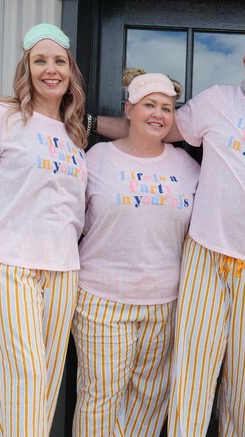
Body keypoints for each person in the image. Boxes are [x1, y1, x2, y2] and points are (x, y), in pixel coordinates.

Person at [93, 28, 245, 436]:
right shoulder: (217, 101)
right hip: (207, 255)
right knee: (192, 373)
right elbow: (153, 130)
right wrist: (83, 122)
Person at [0, 23, 87, 436]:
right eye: (40, 60)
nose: (51, 69)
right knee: (25, 375)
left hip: (63, 268)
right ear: (26, 69)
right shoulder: (4, 117)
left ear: (70, 73)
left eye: (60, 61)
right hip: (8, 264)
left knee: (44, 384)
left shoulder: (74, 134)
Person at [71, 70, 199, 436]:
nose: (158, 114)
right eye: (149, 105)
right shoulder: (96, 159)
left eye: (166, 108)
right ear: (128, 109)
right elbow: (68, 221)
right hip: (101, 300)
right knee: (102, 395)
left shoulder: (187, 168)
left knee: (149, 397)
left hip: (164, 302)